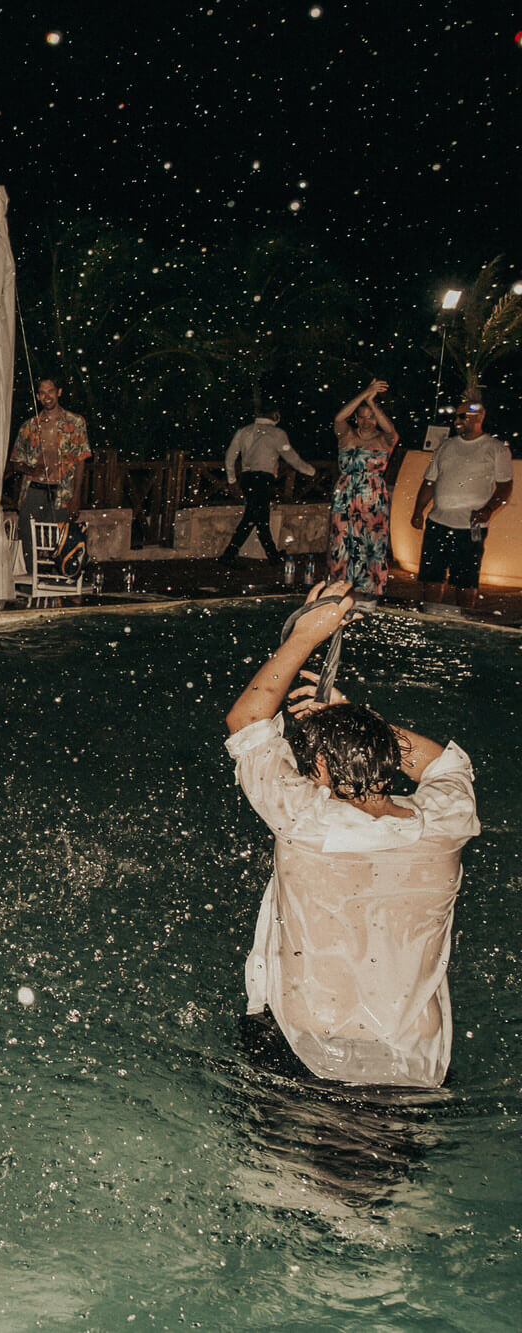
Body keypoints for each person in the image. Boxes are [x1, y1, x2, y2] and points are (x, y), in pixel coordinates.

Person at [224, 581, 479, 1088]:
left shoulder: (306, 822)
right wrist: (361, 724)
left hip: (306, 1054)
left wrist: (304, 638)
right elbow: (444, 764)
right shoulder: (447, 823)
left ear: (318, 764)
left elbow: (247, 720)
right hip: (412, 1069)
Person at [412, 402, 511, 614]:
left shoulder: (496, 449)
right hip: (438, 523)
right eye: (456, 417)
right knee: (432, 576)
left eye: (462, 417)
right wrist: (418, 510)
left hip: (470, 528)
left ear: (479, 417)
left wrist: (489, 509)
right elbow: (430, 481)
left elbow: (504, 487)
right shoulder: (446, 446)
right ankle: (430, 618)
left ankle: (464, 621)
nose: (457, 421)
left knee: (466, 580)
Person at [326, 379, 399, 597]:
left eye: (371, 417)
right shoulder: (346, 435)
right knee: (341, 542)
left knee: (372, 544)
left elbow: (391, 429)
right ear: (356, 418)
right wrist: (365, 393)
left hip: (373, 496)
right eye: (362, 416)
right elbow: (339, 417)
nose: (367, 421)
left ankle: (371, 592)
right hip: (345, 495)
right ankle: (340, 590)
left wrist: (372, 403)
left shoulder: (386, 440)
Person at [220, 405, 317, 567]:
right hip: (263, 479)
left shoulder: (244, 431)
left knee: (252, 517)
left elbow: (230, 457)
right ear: (274, 414)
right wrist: (311, 471)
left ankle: (231, 553)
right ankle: (271, 556)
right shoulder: (277, 434)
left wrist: (232, 480)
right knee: (260, 518)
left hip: (247, 478)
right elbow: (291, 457)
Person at [10, 377, 90, 528]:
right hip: (33, 490)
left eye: (50, 392)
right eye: (42, 393)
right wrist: (32, 470)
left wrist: (76, 497)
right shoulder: (28, 426)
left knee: (58, 545)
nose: (47, 397)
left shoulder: (75, 422)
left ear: (59, 392)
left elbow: (81, 460)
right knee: (30, 544)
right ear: (38, 397)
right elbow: (15, 462)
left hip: (62, 493)